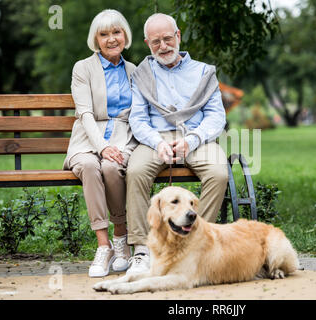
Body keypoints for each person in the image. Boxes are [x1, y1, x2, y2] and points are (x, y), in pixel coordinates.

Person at [125, 13, 228, 275]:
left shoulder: (204, 72)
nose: (163, 46)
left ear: (178, 36)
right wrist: (156, 142)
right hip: (155, 137)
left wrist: (193, 139)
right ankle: (141, 249)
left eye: (168, 39)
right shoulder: (142, 73)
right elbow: (137, 118)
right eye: (156, 41)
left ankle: (197, 240)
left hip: (196, 136)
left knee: (218, 173)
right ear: (147, 43)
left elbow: (217, 116)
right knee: (135, 171)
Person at [63, 9, 138, 277]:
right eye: (104, 34)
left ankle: (121, 236)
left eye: (116, 32)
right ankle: (104, 246)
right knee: (90, 166)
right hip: (86, 139)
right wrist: (101, 146)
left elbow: (139, 114)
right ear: (96, 38)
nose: (111, 39)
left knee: (110, 167)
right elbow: (83, 112)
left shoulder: (134, 71)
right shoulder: (82, 68)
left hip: (123, 139)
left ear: (125, 35)